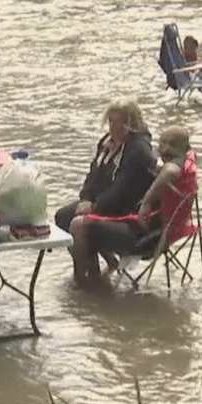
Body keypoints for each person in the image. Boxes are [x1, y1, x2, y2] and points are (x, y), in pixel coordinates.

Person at [69, 127, 196, 285]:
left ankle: (82, 285)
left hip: (149, 238)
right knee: (80, 213)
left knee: (79, 225)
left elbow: (170, 171)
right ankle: (97, 274)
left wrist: (147, 202)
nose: (162, 149)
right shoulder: (188, 164)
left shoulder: (176, 166)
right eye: (161, 143)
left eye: (168, 144)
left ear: (181, 147)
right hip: (160, 229)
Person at [54, 100, 157, 279]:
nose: (115, 127)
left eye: (121, 122)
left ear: (133, 123)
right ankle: (94, 268)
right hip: (109, 207)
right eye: (111, 121)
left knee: (79, 225)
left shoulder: (139, 151)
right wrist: (86, 198)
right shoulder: (107, 144)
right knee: (63, 216)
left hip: (129, 217)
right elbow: (93, 175)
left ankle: (83, 278)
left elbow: (124, 191)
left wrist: (95, 207)